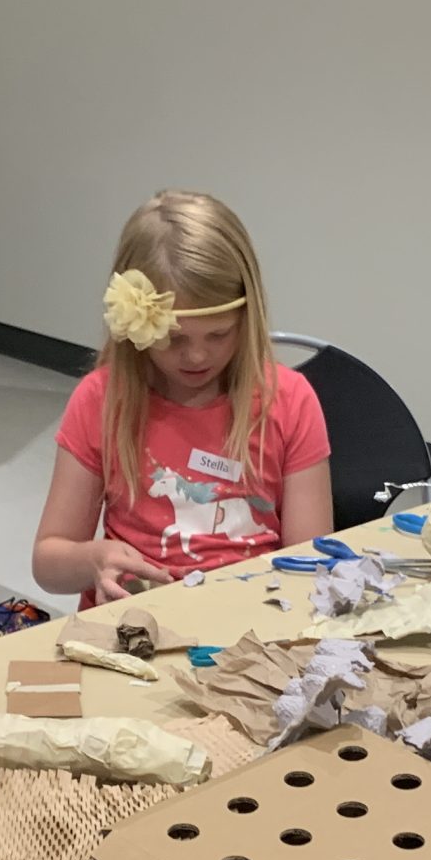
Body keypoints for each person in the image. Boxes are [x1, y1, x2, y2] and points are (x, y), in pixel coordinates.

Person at [32, 190, 331, 605]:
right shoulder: (101, 401)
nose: (196, 356)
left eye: (219, 334)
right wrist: (94, 560)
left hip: (251, 621)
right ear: (135, 326)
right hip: (133, 624)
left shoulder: (289, 401)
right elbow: (48, 562)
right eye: (174, 339)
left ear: (248, 318)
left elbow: (310, 563)